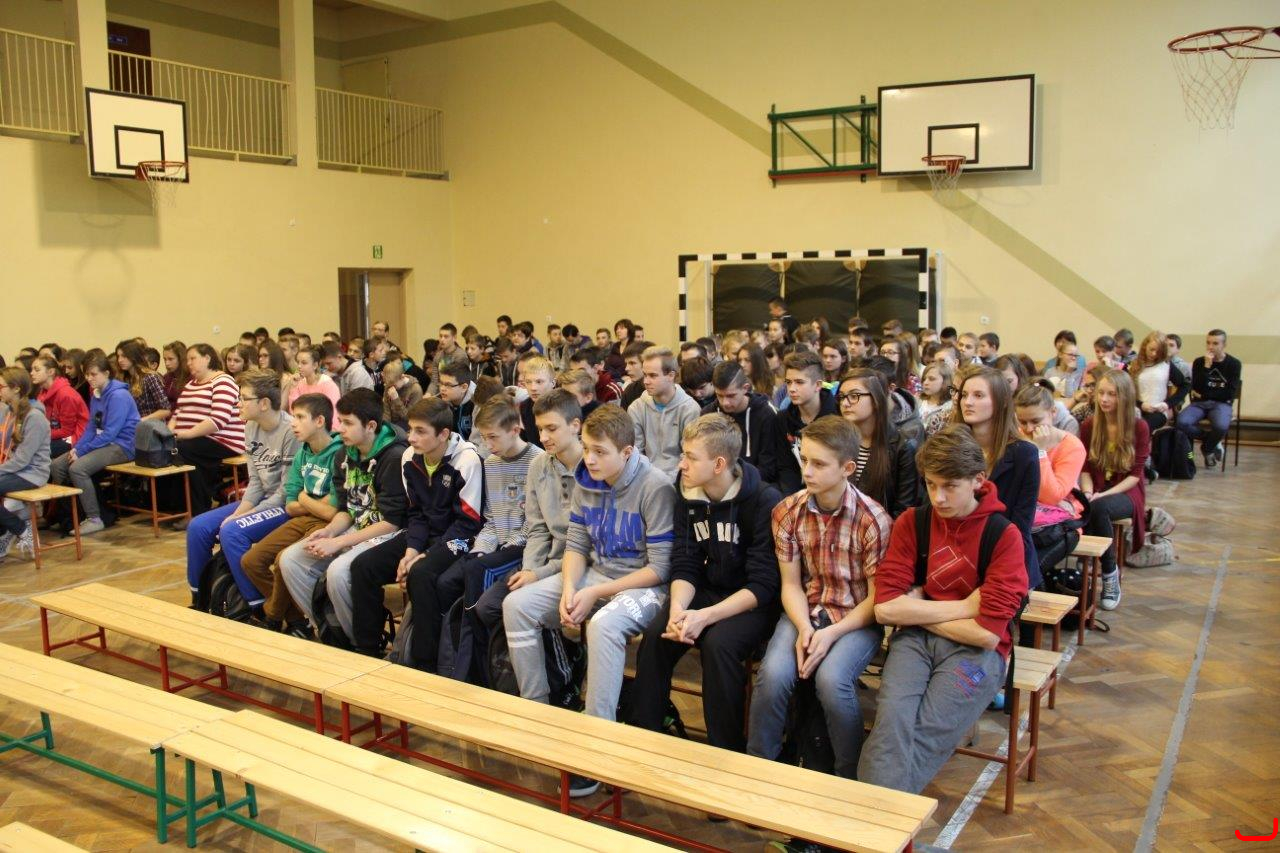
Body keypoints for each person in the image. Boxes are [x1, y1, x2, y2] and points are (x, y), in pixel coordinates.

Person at [502, 405, 675, 796]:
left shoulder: (656, 487)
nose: (590, 459)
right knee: (517, 606)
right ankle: (537, 711)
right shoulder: (586, 478)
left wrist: (594, 592)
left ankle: (598, 746)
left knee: (602, 626)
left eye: (600, 451)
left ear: (626, 452)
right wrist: (569, 588)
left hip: (644, 586)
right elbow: (577, 545)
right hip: (595, 574)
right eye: (586, 448)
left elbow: (660, 568)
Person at [858, 425, 1029, 793]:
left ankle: (871, 820)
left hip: (976, 654)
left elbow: (986, 635)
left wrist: (920, 608)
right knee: (891, 722)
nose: (938, 497)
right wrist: (964, 607)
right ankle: (879, 822)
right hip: (915, 642)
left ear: (978, 480)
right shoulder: (913, 522)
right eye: (931, 484)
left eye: (950, 486)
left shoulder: (1003, 536)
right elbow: (886, 609)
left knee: (927, 732)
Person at [747, 415, 891, 780]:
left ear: (847, 468)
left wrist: (830, 634)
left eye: (819, 464)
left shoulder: (872, 519)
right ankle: (759, 767)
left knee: (832, 681)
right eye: (804, 459)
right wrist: (804, 627)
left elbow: (876, 601)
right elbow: (791, 585)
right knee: (773, 676)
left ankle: (848, 776)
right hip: (806, 610)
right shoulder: (788, 510)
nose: (807, 471)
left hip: (856, 617)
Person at [631, 414, 782, 751]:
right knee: (658, 635)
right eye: (682, 454)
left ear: (719, 464)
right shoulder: (687, 494)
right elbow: (685, 564)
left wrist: (704, 617)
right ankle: (645, 735)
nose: (681, 464)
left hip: (752, 602)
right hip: (710, 589)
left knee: (718, 645)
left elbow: (763, 585)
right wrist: (679, 610)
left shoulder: (764, 501)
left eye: (690, 457)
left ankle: (724, 751)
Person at [347, 397, 484, 663]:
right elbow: (416, 514)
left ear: (443, 434)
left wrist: (426, 555)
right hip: (424, 534)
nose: (411, 438)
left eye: (420, 431)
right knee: (363, 566)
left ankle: (424, 663)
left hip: (460, 539)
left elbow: (467, 523)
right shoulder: (410, 457)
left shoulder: (467, 460)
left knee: (420, 574)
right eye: (410, 429)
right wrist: (411, 550)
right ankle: (367, 651)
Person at [278, 388, 408, 643]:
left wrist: (338, 542)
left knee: (339, 572)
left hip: (387, 533)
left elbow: (392, 522)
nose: (340, 429)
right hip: (355, 529)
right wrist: (329, 532)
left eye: (348, 423)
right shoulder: (344, 454)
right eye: (340, 421)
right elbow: (347, 510)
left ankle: (356, 642)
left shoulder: (394, 457)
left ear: (370, 426)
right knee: (291, 560)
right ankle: (330, 630)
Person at [185, 369, 298, 611]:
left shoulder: (291, 431)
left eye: (244, 398)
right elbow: (255, 482)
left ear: (264, 403)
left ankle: (256, 605)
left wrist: (240, 518)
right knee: (198, 527)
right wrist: (238, 513)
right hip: (262, 500)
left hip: (284, 506)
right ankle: (201, 598)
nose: (238, 403)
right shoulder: (250, 426)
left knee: (232, 531)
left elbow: (285, 493)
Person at [449, 399, 543, 684]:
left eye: (493, 437)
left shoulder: (537, 461)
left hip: (524, 546)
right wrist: (481, 548)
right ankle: (460, 663)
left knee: (476, 575)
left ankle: (477, 671)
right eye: (484, 437)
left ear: (515, 430)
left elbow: (535, 524)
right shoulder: (491, 463)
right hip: (498, 545)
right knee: (453, 575)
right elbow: (491, 518)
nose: (487, 445)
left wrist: (502, 547)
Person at [239, 393, 343, 637]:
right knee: (251, 561)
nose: (293, 423)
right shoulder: (302, 454)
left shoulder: (339, 454)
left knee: (282, 561)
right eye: (293, 417)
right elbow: (290, 505)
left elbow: (332, 509)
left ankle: (272, 618)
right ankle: (294, 617)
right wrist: (311, 501)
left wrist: (304, 499)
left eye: (300, 417)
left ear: (319, 421)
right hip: (301, 519)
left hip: (330, 524)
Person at [952, 365, 1041, 588]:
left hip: (1007, 558)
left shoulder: (1024, 454)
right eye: (964, 395)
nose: (967, 402)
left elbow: (1021, 526)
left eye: (978, 395)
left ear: (1000, 402)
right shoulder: (951, 447)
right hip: (956, 554)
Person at [1081, 370, 1150, 610]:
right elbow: (1085, 468)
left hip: (1127, 491)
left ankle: (1110, 574)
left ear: (1125, 397)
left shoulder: (1139, 426)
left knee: (1099, 508)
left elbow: (1135, 475)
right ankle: (1083, 564)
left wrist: (1101, 496)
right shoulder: (1090, 425)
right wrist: (1088, 492)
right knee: (1080, 504)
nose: (1104, 399)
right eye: (1101, 393)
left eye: (1112, 394)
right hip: (1097, 487)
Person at [50, 351, 139, 535]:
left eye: (93, 374)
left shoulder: (118, 396)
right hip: (106, 443)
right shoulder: (97, 393)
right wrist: (76, 448)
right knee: (57, 465)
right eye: (87, 374)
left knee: (77, 468)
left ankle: (94, 518)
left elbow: (110, 433)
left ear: (106, 373)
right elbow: (91, 428)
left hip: (123, 445)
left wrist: (82, 452)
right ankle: (72, 516)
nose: (89, 378)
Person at [171, 344, 246, 517]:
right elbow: (177, 414)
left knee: (184, 451)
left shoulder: (223, 382)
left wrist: (186, 434)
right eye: (187, 360)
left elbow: (218, 419)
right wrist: (169, 434)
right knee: (170, 450)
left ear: (207, 359)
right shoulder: (191, 384)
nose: (189, 363)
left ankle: (198, 511)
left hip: (224, 440)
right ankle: (184, 509)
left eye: (193, 358)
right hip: (195, 440)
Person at [837, 368, 919, 517]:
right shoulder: (839, 440)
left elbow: (903, 510)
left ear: (876, 400)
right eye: (842, 397)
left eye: (854, 396)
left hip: (883, 526)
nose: (845, 403)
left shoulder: (903, 446)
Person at [1014, 382, 1086, 530]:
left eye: (1036, 421)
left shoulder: (1072, 446)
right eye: (1022, 422)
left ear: (1053, 412)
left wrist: (1039, 452)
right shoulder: (1017, 437)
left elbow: (1051, 497)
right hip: (1023, 513)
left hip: (1057, 525)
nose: (1029, 428)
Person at [628, 347, 702, 483]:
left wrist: (666, 481)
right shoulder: (636, 408)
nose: (646, 381)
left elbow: (689, 455)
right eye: (645, 375)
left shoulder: (690, 409)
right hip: (645, 478)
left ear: (671, 376)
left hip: (680, 479)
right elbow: (636, 452)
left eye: (653, 376)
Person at [0, 367, 50, 560]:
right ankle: (8, 530)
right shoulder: (9, 412)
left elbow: (23, 459)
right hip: (15, 469)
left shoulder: (35, 416)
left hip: (32, 473)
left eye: (2, 386)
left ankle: (21, 529)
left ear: (16, 389)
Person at [702, 360, 778, 483]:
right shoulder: (708, 414)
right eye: (719, 395)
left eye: (731, 396)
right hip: (716, 482)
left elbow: (768, 469)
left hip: (754, 483)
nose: (725, 403)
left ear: (745, 388)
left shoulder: (766, 414)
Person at [1174, 329, 1241, 468]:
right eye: (1208, 343)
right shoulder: (1200, 362)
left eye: (1215, 343)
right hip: (1200, 404)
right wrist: (1206, 367)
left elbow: (1229, 393)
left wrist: (1206, 394)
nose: (1210, 347)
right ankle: (1211, 440)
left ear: (1224, 345)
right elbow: (1197, 388)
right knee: (1181, 422)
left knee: (1221, 426)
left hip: (1222, 404)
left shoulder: (1234, 364)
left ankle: (1207, 448)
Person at [773, 351, 838, 494]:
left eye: (799, 382)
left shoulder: (838, 416)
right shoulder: (782, 418)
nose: (791, 389)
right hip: (797, 493)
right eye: (788, 382)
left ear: (818, 385)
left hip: (830, 491)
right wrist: (793, 499)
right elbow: (786, 467)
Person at [994, 354, 1078, 436]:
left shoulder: (1064, 420)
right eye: (1023, 422)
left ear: (1019, 377)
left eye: (1009, 381)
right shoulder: (997, 404)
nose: (1003, 387)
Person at [1129, 331, 1189, 433]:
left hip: (1158, 412)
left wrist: (1167, 404)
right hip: (1137, 408)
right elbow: (1127, 391)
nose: (1154, 354)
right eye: (1151, 349)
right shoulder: (1134, 364)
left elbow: (1185, 386)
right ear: (1145, 346)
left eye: (1158, 351)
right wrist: (1141, 405)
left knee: (1141, 427)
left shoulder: (1166, 365)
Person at [31, 356, 88, 458]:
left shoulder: (66, 394)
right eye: (32, 370)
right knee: (27, 445)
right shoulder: (43, 392)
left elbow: (67, 431)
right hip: (56, 433)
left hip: (76, 436)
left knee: (36, 451)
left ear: (51, 372)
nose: (32, 373)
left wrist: (41, 434)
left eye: (37, 370)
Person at [116, 340, 171, 423]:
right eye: (118, 356)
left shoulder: (150, 377)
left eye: (124, 356)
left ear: (133, 356)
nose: (120, 360)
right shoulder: (125, 380)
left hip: (151, 427)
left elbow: (166, 410)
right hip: (133, 427)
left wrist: (141, 421)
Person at [285, 345, 340, 421]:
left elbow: (333, 415)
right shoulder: (299, 383)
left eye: (304, 363)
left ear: (315, 365)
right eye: (298, 362)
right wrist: (293, 387)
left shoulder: (328, 385)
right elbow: (293, 411)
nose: (299, 366)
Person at [517, 356, 557, 449]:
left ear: (553, 383)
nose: (533, 388)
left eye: (539, 382)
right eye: (528, 382)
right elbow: (525, 441)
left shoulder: (564, 405)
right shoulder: (524, 407)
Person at [438, 361, 478, 439]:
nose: (442, 389)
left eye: (448, 385)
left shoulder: (477, 405)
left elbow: (479, 441)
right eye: (441, 383)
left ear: (464, 387)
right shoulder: (439, 402)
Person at [381, 359, 424, 429]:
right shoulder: (389, 385)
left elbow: (409, 418)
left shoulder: (416, 390)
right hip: (393, 423)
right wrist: (385, 426)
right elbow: (386, 410)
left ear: (402, 377)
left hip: (407, 424)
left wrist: (396, 399)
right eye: (388, 385)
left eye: (394, 385)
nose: (391, 388)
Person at [1043, 330, 1086, 396]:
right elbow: (1043, 391)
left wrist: (1069, 373)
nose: (1074, 358)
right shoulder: (1050, 371)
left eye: (1076, 355)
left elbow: (1070, 395)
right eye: (1070, 355)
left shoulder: (1078, 373)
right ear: (1060, 354)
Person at [918, 361, 954, 436]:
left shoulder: (949, 408)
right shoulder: (917, 401)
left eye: (931, 379)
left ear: (945, 382)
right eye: (924, 379)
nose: (925, 383)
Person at [429, 323, 464, 395]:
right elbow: (434, 381)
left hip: (455, 393)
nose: (442, 339)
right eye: (440, 336)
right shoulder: (438, 356)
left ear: (454, 338)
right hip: (441, 392)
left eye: (446, 336)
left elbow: (459, 383)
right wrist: (429, 393)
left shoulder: (461, 356)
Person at [619, 342, 649, 409]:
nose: (626, 368)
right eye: (626, 364)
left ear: (646, 363)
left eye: (632, 363)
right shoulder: (629, 391)